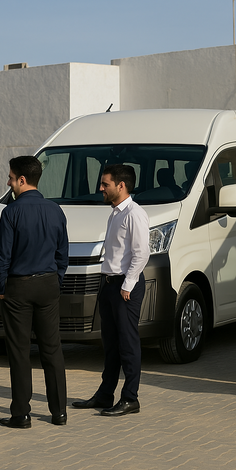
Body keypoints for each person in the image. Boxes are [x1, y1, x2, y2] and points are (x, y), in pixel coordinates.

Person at [0, 156, 69, 428]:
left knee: (19, 351)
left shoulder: (11, 213)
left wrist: (1, 287)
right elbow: (63, 254)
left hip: (18, 287)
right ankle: (59, 412)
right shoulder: (56, 211)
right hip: (48, 284)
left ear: (22, 180)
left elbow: (1, 257)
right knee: (52, 349)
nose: (8, 182)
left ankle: (21, 414)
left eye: (11, 178)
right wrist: (56, 280)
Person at [72, 164, 149, 417]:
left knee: (128, 344)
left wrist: (127, 286)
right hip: (109, 284)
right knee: (111, 344)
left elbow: (141, 254)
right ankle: (106, 394)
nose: (100, 188)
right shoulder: (115, 213)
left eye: (105, 184)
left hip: (125, 287)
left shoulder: (134, 214)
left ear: (121, 185)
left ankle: (130, 398)